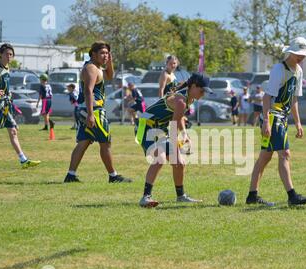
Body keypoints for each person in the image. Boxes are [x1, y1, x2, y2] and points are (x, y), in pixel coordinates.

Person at [246, 37, 306, 207]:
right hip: (272, 117)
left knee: (265, 157)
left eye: (303, 55)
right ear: (290, 52)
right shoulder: (279, 69)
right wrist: (266, 122)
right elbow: (267, 97)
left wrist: (298, 123)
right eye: (298, 54)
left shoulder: (298, 71)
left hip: (283, 118)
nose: (301, 57)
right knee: (285, 154)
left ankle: (252, 195)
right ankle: (292, 196)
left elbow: (294, 99)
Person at [135, 73, 212, 208]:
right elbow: (173, 128)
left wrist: (185, 134)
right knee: (160, 158)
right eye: (201, 91)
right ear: (193, 86)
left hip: (160, 128)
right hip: (146, 127)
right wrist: (176, 145)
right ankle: (145, 197)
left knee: (179, 163)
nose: (202, 94)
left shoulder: (189, 99)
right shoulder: (181, 100)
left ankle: (181, 196)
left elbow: (179, 117)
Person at [64, 41, 132, 184]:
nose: (105, 55)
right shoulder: (91, 68)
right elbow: (88, 91)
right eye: (102, 53)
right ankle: (113, 176)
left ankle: (70, 175)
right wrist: (90, 114)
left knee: (84, 142)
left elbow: (109, 76)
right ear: (93, 54)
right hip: (93, 111)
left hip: (87, 109)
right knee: (105, 142)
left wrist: (110, 61)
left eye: (107, 53)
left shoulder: (97, 67)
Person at [0, 43, 41, 170]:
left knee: (13, 130)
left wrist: (9, 93)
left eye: (11, 55)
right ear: (0, 54)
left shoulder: (7, 67)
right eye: (7, 54)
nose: (9, 56)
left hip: (6, 104)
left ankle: (23, 160)